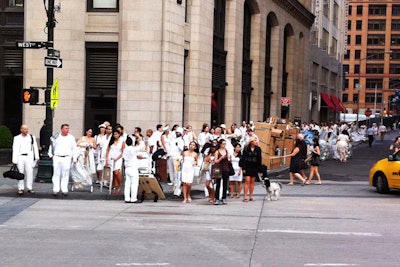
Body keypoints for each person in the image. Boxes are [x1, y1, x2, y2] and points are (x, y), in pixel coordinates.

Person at [48, 124, 77, 196]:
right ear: (62, 129)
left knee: (65, 174)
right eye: (66, 128)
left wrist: (74, 158)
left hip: (67, 157)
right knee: (56, 174)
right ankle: (56, 189)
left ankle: (64, 189)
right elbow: (51, 146)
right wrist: (51, 155)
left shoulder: (71, 138)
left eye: (68, 128)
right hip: (57, 157)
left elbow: (74, 148)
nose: (67, 130)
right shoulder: (56, 137)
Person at [12, 124, 40, 195]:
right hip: (20, 157)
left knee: (30, 172)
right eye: (24, 129)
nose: (26, 130)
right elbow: (15, 149)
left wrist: (37, 157)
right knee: (20, 173)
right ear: (21, 130)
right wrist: (14, 161)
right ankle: (20, 188)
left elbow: (35, 148)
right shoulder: (17, 138)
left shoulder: (31, 137)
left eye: (27, 129)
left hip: (29, 157)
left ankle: (30, 187)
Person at [240, 136, 262, 202]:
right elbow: (243, 159)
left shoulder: (258, 149)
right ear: (251, 142)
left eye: (256, 140)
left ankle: (251, 196)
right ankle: (244, 196)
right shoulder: (246, 149)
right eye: (254, 141)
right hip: (247, 166)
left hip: (254, 166)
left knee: (252, 182)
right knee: (247, 181)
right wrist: (243, 168)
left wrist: (259, 169)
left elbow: (259, 159)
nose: (256, 142)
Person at [123, 137, 142, 203]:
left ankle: (127, 198)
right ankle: (133, 198)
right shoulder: (133, 149)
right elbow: (141, 146)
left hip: (127, 168)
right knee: (134, 184)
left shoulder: (125, 149)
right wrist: (140, 139)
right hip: (133, 168)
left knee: (127, 184)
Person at [105, 129, 125, 194]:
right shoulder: (111, 141)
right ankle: (114, 186)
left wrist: (118, 157)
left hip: (118, 158)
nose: (115, 135)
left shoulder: (122, 141)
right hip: (111, 158)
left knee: (117, 172)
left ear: (119, 135)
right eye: (114, 134)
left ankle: (119, 185)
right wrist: (106, 160)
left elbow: (123, 151)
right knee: (112, 173)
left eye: (116, 134)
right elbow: (107, 150)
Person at [213, 139, 231, 205]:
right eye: (223, 144)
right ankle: (217, 198)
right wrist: (221, 158)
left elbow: (229, 160)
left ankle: (224, 197)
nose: (224, 145)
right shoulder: (217, 152)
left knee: (225, 184)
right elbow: (216, 161)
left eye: (225, 144)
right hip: (219, 168)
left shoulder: (226, 151)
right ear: (220, 144)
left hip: (226, 168)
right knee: (218, 184)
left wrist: (229, 158)